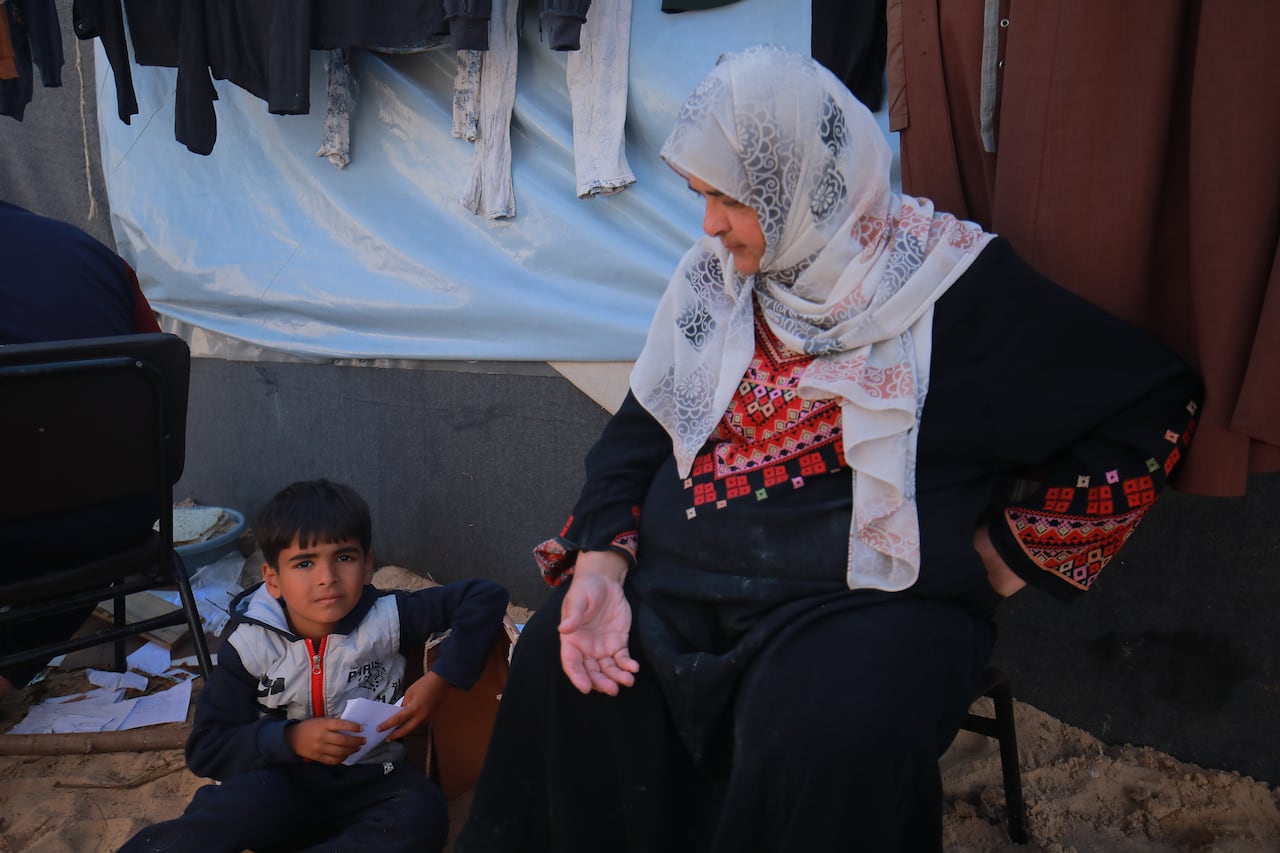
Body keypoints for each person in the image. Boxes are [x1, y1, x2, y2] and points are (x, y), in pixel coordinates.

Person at [454, 45, 1203, 853]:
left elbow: (1155, 400)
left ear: (804, 187)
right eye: (703, 194)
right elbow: (636, 436)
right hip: (680, 590)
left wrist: (1010, 556)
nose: (708, 224)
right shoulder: (716, 282)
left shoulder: (954, 294)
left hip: (858, 609)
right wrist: (602, 564)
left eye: (729, 198)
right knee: (557, 669)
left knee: (825, 727)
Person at [118, 479, 509, 853]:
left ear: (368, 565)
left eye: (344, 557)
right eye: (304, 563)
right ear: (272, 579)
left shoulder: (389, 616)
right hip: (279, 787)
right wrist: (289, 739)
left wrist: (441, 678)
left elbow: (485, 596)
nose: (327, 578)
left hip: (373, 781)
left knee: (421, 813)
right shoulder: (250, 646)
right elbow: (207, 749)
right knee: (232, 809)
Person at [0, 200, 163, 704]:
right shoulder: (92, 252)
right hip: (123, 519)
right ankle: (7, 672)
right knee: (76, 525)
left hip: (15, 534)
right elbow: (156, 371)